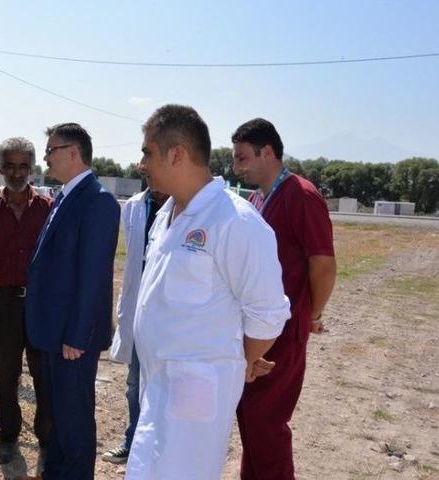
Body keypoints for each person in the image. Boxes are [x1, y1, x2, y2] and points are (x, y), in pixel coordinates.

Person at [125, 105, 292, 479]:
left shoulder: (235, 221)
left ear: (177, 154)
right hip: (156, 384)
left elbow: (267, 314)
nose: (141, 164)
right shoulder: (167, 215)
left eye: (147, 153)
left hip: (194, 393)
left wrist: (240, 358)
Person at [232, 118, 337, 480]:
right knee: (250, 419)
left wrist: (312, 314)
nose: (236, 168)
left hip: (284, 332)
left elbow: (323, 265)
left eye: (242, 158)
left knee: (267, 422)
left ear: (267, 152)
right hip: (256, 329)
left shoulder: (301, 195)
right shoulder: (256, 199)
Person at [20, 123, 120, 480]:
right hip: (54, 333)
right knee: (59, 418)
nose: (46, 157)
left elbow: (93, 277)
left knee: (74, 422)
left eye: (51, 150)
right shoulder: (65, 196)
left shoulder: (98, 201)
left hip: (72, 340)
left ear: (73, 152)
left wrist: (77, 336)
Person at [0, 137, 52, 466]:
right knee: (6, 375)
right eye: (10, 166)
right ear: (1, 168)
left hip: (42, 305)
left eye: (23, 166)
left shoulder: (48, 209)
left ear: (32, 168)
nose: (17, 173)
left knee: (44, 376)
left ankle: (46, 441)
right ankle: (7, 437)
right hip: (5, 305)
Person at [102, 166, 167, 465]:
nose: (153, 180)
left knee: (166, 385)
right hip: (140, 308)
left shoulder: (183, 207)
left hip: (169, 313)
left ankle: (161, 449)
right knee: (134, 383)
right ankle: (133, 442)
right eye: (148, 175)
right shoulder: (133, 207)